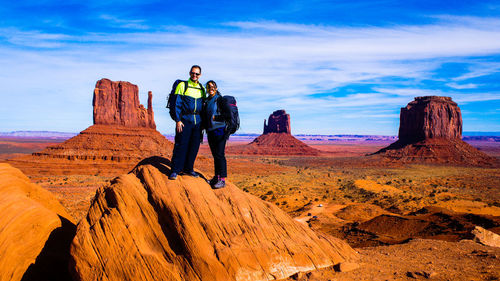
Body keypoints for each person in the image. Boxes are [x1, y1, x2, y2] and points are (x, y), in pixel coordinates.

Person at [169, 65, 206, 180]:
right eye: (193, 73)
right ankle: (175, 170)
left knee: (194, 146)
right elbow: (176, 104)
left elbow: (204, 106)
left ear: (200, 75)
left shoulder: (201, 89)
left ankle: (188, 169)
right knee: (181, 144)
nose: (194, 75)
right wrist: (178, 120)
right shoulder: (182, 85)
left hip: (198, 121)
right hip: (185, 120)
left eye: (197, 74)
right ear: (190, 73)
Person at [202, 80, 227, 188]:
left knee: (220, 155)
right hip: (211, 131)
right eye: (208, 87)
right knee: (215, 155)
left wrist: (216, 117)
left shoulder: (219, 99)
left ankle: (222, 180)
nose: (210, 89)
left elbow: (227, 115)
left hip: (220, 130)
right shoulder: (207, 101)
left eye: (212, 87)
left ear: (216, 88)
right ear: (206, 89)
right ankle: (216, 177)